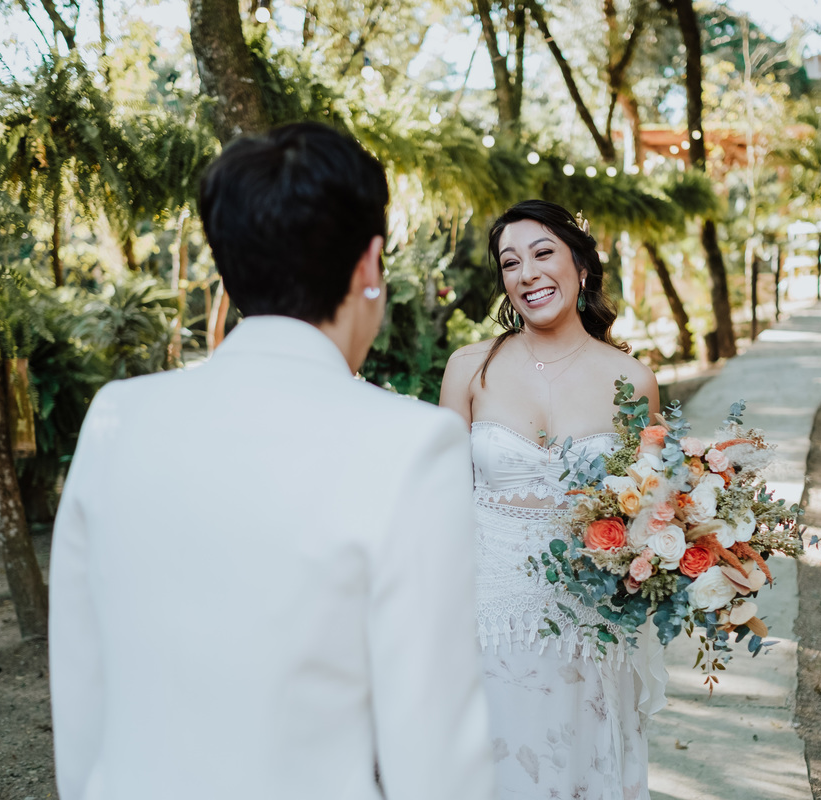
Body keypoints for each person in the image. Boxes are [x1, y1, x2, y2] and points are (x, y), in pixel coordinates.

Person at [49, 122, 495, 800]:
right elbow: (436, 755)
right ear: (370, 265)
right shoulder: (412, 445)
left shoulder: (117, 416)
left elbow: (80, 690)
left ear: (230, 265)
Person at [440, 200, 668, 800]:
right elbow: (437, 505)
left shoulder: (632, 381)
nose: (527, 273)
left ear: (581, 267)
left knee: (578, 771)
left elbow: (647, 506)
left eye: (543, 253)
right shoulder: (470, 369)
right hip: (485, 616)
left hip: (588, 621)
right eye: (510, 263)